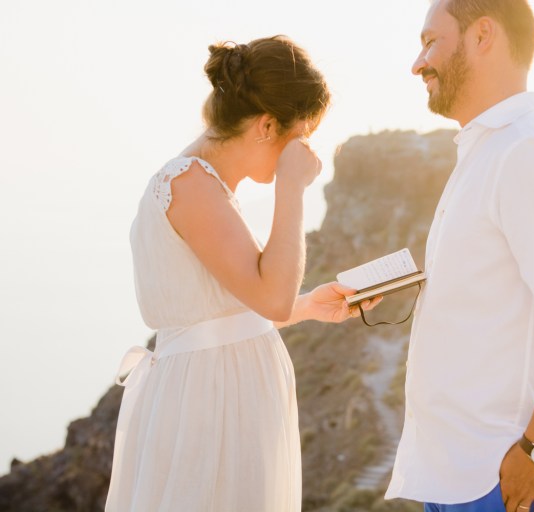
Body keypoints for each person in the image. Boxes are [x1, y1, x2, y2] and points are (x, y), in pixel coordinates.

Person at [105, 36, 379, 512]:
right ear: (268, 125)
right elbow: (268, 299)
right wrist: (291, 187)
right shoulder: (190, 185)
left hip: (221, 397)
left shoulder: (206, 187)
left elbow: (226, 313)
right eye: (303, 135)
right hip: (208, 409)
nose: (306, 151)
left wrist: (309, 305)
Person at [384, 2, 534, 512]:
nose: (417, 63)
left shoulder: (526, 153)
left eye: (431, 41)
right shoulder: (486, 152)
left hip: (506, 482)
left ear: (483, 36)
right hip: (461, 477)